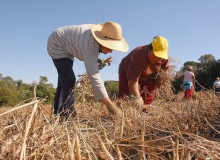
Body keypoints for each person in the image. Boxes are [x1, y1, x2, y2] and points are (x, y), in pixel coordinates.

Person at [47, 21, 129, 118]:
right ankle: (68, 115)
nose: (111, 50)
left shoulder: (97, 36)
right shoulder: (89, 46)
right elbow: (94, 77)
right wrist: (110, 106)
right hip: (57, 43)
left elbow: (84, 47)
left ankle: (58, 113)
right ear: (102, 40)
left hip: (65, 41)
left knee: (64, 81)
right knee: (69, 80)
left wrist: (95, 58)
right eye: (110, 46)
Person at [118, 36, 170, 111]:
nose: (158, 59)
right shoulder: (139, 54)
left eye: (160, 57)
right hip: (127, 70)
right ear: (150, 49)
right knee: (123, 92)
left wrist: (161, 80)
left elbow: (164, 70)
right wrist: (137, 97)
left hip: (148, 74)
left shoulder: (164, 58)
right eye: (156, 56)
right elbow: (133, 79)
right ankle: (121, 111)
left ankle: (144, 110)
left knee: (149, 91)